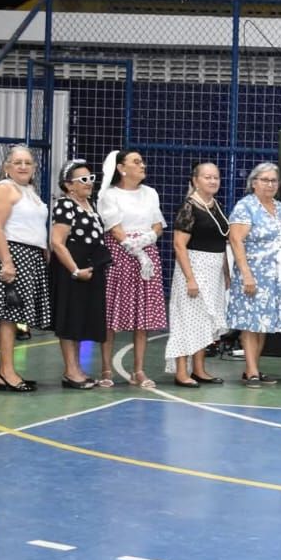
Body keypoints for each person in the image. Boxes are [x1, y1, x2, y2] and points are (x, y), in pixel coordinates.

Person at [0, 145, 51, 392]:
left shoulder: (29, 191)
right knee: (9, 316)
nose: (23, 166)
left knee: (16, 316)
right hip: (13, 254)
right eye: (17, 162)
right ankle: (6, 372)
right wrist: (7, 262)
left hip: (30, 257)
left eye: (28, 162)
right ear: (7, 167)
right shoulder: (4, 189)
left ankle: (4, 372)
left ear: (34, 167)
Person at [96, 149, 167, 389]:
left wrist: (145, 241)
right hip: (120, 256)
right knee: (110, 315)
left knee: (142, 316)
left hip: (147, 256)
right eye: (136, 162)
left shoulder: (150, 193)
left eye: (142, 161)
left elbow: (158, 225)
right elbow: (115, 229)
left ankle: (138, 370)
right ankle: (106, 369)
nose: (142, 165)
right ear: (121, 168)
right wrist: (136, 250)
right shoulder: (109, 195)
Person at [226, 161, 281, 385]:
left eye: (274, 180)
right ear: (254, 182)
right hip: (254, 272)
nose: (270, 184)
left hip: (275, 275)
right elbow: (236, 239)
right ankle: (252, 371)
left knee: (264, 322)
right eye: (265, 180)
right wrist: (246, 274)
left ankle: (253, 368)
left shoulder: (279, 207)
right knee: (250, 322)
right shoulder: (245, 206)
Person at [166, 161, 231, 387]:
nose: (213, 181)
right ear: (195, 180)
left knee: (204, 321)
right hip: (194, 268)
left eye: (216, 177)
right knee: (186, 320)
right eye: (207, 177)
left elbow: (221, 242)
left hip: (214, 271)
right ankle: (181, 372)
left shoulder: (216, 205)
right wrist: (190, 278)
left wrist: (226, 273)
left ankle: (199, 369)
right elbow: (179, 245)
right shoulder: (189, 207)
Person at [47, 159, 110, 389]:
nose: (89, 183)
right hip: (72, 270)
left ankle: (75, 369)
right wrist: (74, 270)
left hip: (90, 269)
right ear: (68, 184)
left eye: (91, 178)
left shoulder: (89, 205)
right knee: (70, 319)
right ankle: (71, 371)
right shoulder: (65, 205)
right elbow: (57, 242)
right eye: (83, 179)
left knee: (81, 318)